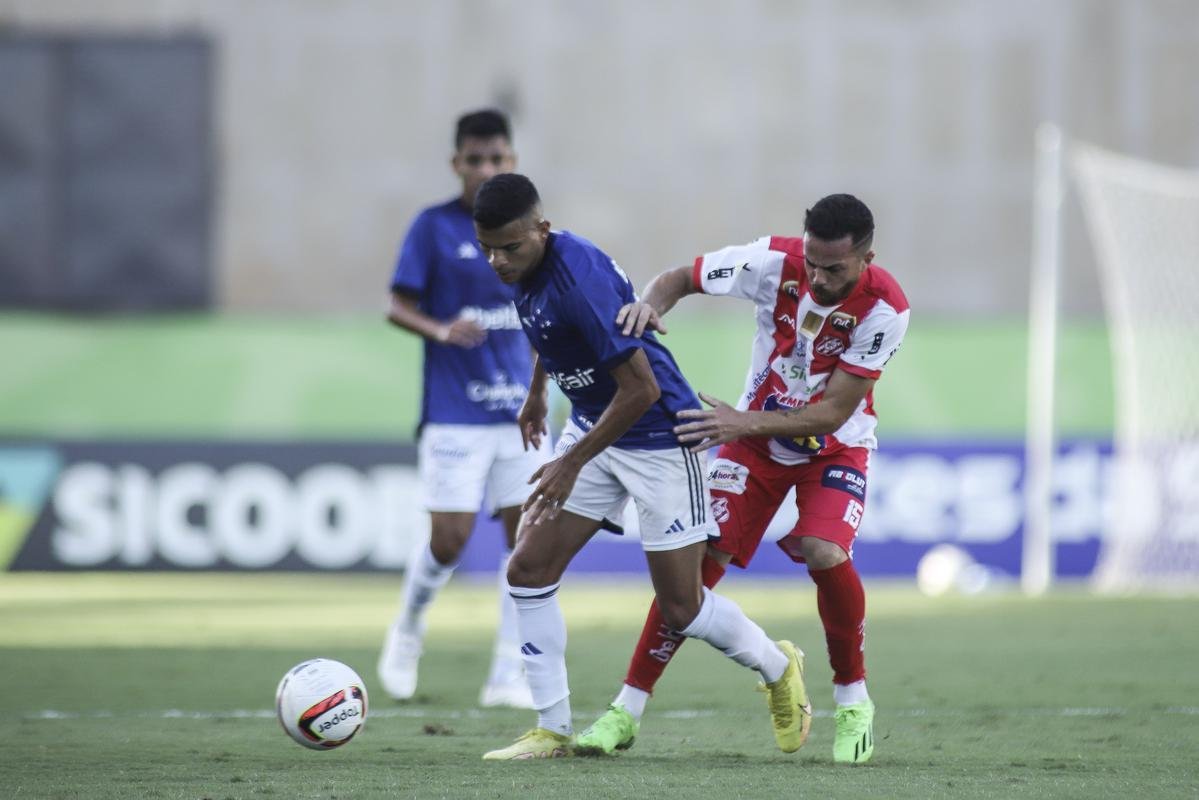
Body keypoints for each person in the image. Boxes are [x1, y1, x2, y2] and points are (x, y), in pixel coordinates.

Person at [472, 173, 811, 761]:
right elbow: (548, 332)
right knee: (527, 568)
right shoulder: (527, 268)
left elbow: (641, 390)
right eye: (489, 249)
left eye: (511, 248)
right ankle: (552, 728)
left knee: (681, 607)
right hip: (594, 423)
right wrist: (537, 395)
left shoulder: (580, 278)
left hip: (658, 434)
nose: (499, 261)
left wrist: (569, 464)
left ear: (542, 230)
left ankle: (778, 666)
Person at [577, 194, 910, 765]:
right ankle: (625, 712)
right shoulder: (771, 262)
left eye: (835, 269)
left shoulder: (885, 308)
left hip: (835, 448)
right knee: (693, 570)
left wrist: (739, 420)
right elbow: (679, 278)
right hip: (754, 442)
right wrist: (648, 307)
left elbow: (831, 413)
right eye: (813, 264)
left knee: (824, 551)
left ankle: (853, 698)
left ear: (866, 258)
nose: (819, 278)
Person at [377, 109, 551, 709]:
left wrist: (542, 390)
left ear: (513, 161)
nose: (486, 169)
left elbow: (547, 317)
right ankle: (408, 629)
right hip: (454, 410)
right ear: (456, 164)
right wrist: (439, 329)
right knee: (449, 541)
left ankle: (508, 671)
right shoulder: (432, 228)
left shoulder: (534, 233)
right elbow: (396, 305)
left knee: (526, 544)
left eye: (497, 158)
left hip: (518, 415)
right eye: (475, 160)